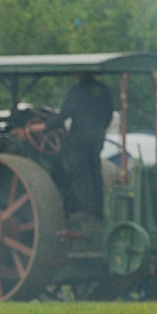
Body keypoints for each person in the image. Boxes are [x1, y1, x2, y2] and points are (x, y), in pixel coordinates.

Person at [48, 73, 114, 219]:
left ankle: (85, 212)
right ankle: (98, 212)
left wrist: (45, 127)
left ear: (80, 74)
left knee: (78, 174)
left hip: (79, 141)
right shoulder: (103, 89)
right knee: (95, 174)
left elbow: (64, 114)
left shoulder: (77, 91)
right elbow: (109, 115)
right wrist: (99, 128)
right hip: (97, 139)